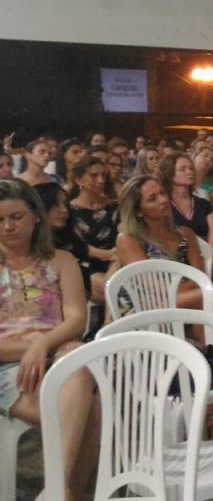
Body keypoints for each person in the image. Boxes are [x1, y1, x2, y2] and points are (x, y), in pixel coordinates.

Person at [0, 180, 102, 501]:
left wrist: (42, 346)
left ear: (36, 217)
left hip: (55, 358)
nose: (7, 226)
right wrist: (31, 349)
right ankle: (64, 493)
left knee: (75, 357)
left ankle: (56, 490)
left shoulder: (61, 260)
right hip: (6, 368)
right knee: (93, 411)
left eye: (16, 217)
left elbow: (75, 319)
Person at [115, 176, 208, 316]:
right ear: (138, 211)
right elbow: (155, 292)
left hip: (186, 302)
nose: (163, 200)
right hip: (146, 310)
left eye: (163, 193)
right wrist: (193, 289)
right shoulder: (128, 239)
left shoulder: (186, 234)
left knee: (207, 300)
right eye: (153, 199)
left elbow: (200, 279)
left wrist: (189, 291)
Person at [67, 157, 119, 294]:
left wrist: (115, 257)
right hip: (86, 264)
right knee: (114, 289)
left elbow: (123, 233)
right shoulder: (69, 210)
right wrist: (107, 255)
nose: (101, 180)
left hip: (117, 261)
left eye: (103, 175)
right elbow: (76, 244)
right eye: (94, 176)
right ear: (78, 180)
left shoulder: (114, 206)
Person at [158, 152, 213, 244]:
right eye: (182, 169)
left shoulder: (204, 204)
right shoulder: (163, 205)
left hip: (206, 254)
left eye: (190, 168)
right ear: (169, 174)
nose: (189, 172)